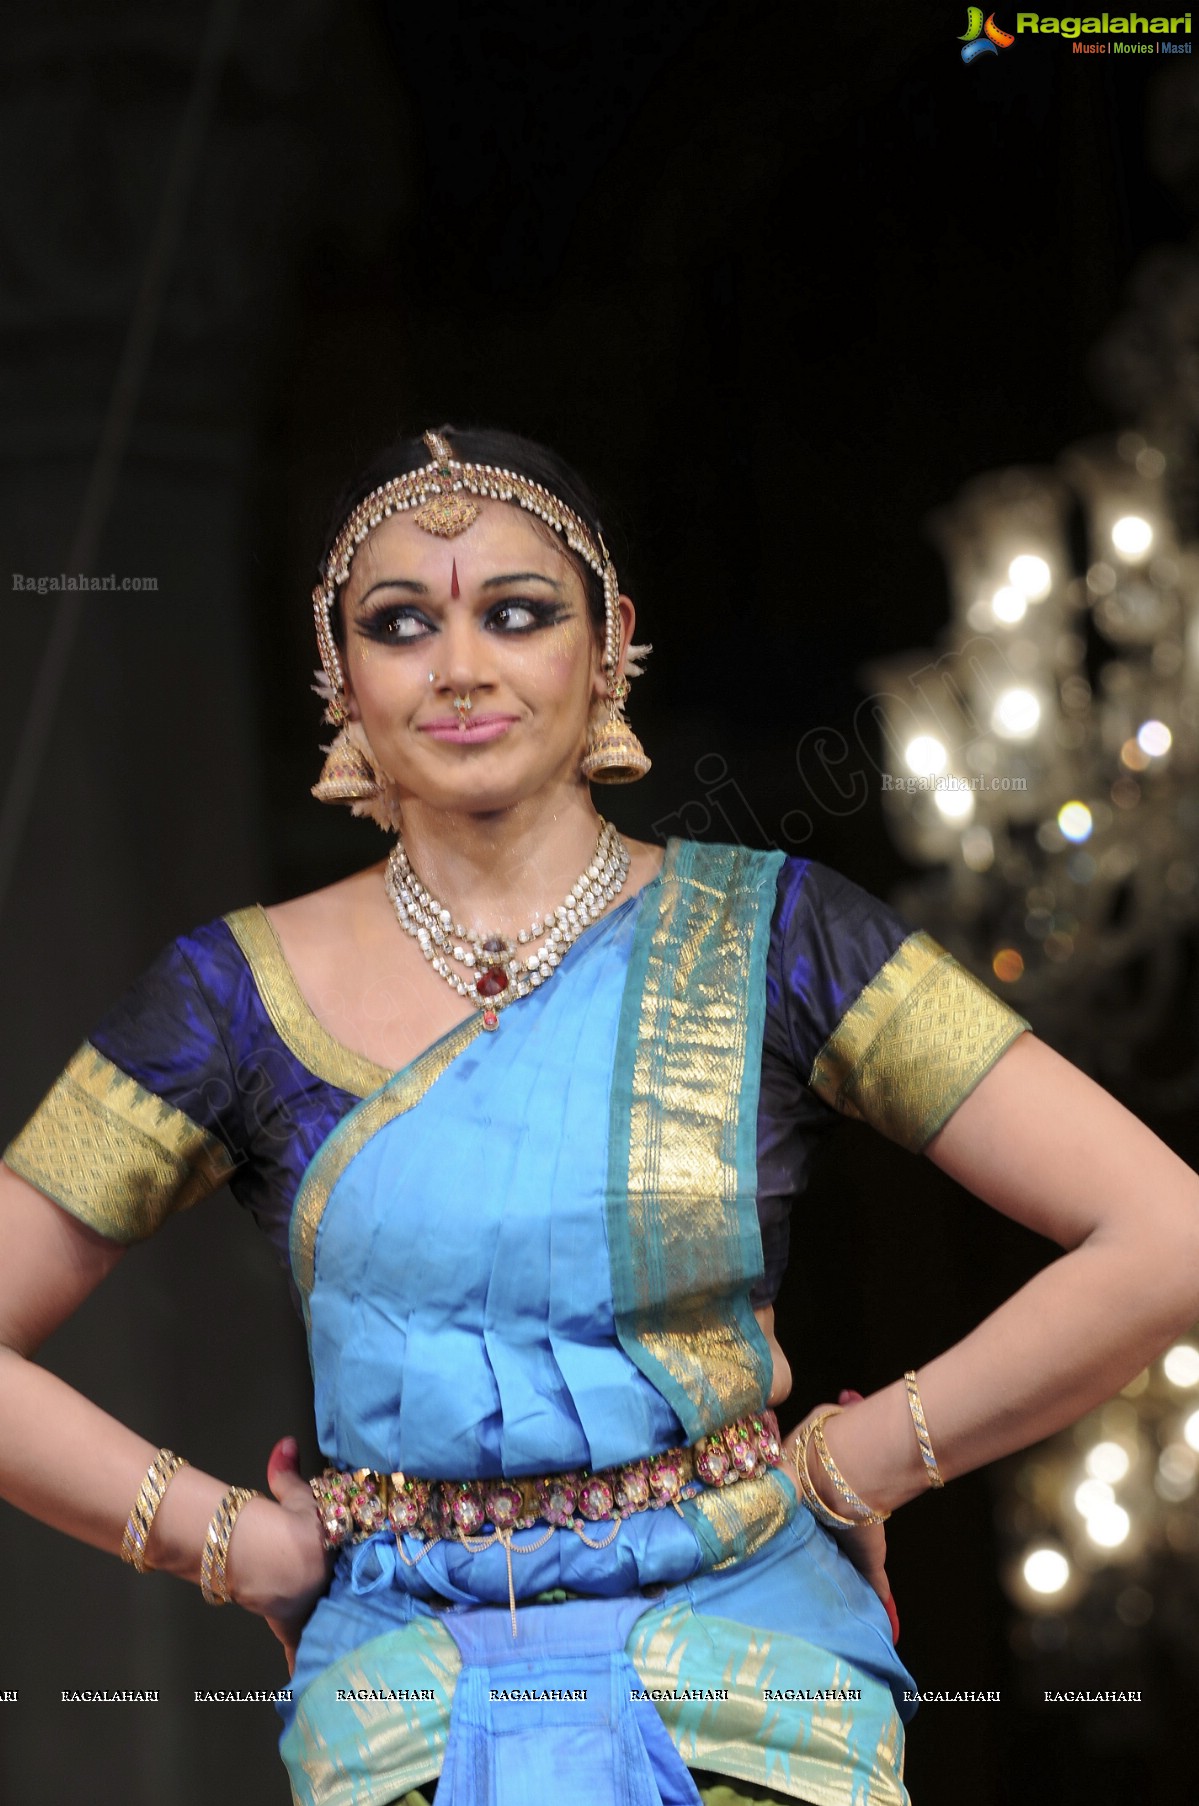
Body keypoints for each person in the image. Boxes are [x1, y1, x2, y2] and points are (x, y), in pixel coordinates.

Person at [2, 425, 1198, 1806]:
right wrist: (226, 1541)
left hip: (753, 1697)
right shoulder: (230, 996)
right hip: (407, 1717)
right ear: (336, 671)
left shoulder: (777, 935)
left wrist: (860, 1457)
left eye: (518, 612)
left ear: (611, 641)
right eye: (400, 624)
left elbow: (1165, 1230)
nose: (461, 667)